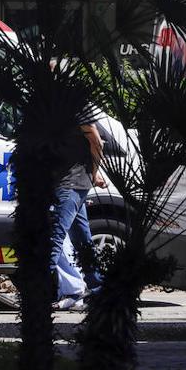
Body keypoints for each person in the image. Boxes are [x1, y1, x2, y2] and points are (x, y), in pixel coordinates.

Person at [50, 120, 111, 310]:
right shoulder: (62, 105)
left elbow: (97, 142)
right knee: (82, 240)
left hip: (70, 184)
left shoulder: (77, 106)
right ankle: (99, 291)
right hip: (72, 184)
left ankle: (34, 293)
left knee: (53, 239)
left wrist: (94, 172)